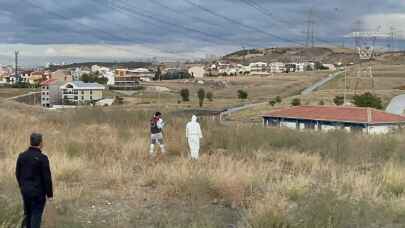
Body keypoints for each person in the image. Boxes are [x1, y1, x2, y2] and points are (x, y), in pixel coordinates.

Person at [16, 133, 53, 228]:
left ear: (30, 142)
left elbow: (17, 173)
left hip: (25, 191)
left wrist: (22, 186)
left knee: (27, 214)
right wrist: (49, 195)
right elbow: (47, 178)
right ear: (40, 143)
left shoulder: (22, 156)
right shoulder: (43, 158)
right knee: (36, 216)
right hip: (38, 194)